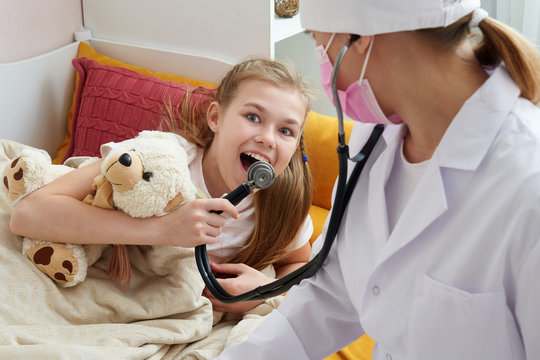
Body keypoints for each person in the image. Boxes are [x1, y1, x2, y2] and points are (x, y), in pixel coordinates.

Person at [215, 0, 540, 359]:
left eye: (316, 39)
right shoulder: (371, 139)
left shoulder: (527, 183)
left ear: (361, 38)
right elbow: (334, 288)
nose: (321, 60)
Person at [9, 58, 315, 313]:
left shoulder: (283, 203)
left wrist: (262, 292)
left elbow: (297, 265)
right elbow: (28, 214)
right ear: (216, 117)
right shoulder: (160, 157)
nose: (268, 138)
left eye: (286, 130)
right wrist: (163, 229)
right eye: (253, 116)